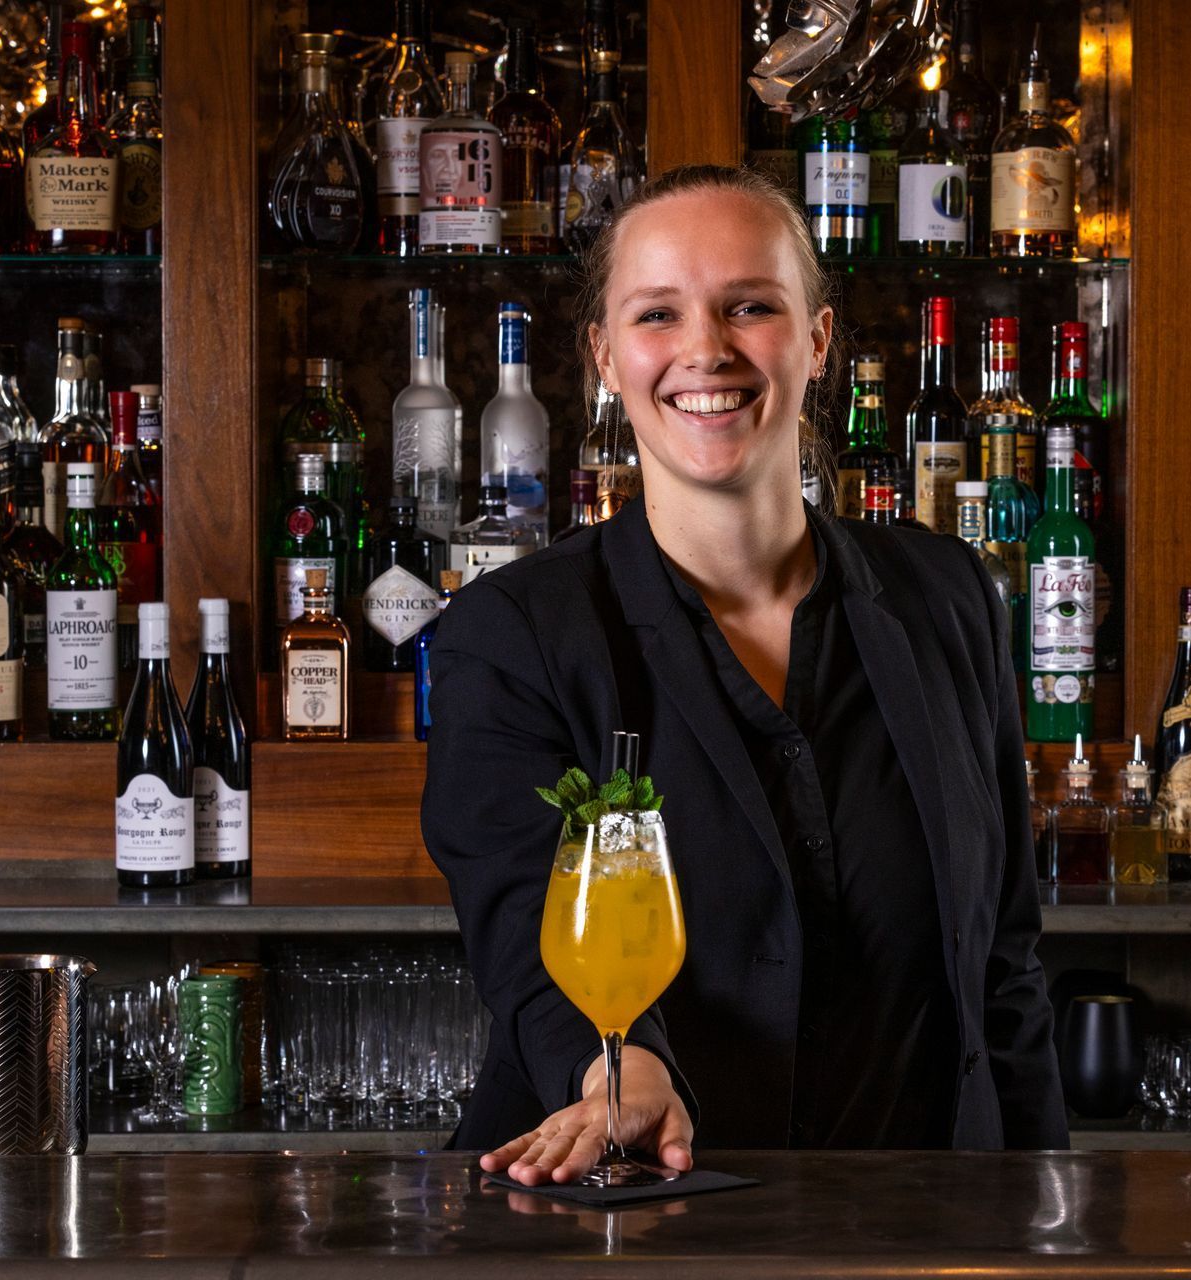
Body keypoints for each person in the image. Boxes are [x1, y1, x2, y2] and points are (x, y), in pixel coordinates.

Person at [423, 164, 1064, 1187]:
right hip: (634, 1222)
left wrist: (1044, 1214)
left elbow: (1004, 969)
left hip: (926, 1232)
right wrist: (614, 1068)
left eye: (750, 306)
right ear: (605, 356)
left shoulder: (944, 598)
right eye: (657, 314)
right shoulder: (515, 634)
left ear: (816, 338)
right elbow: (522, 930)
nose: (705, 350)